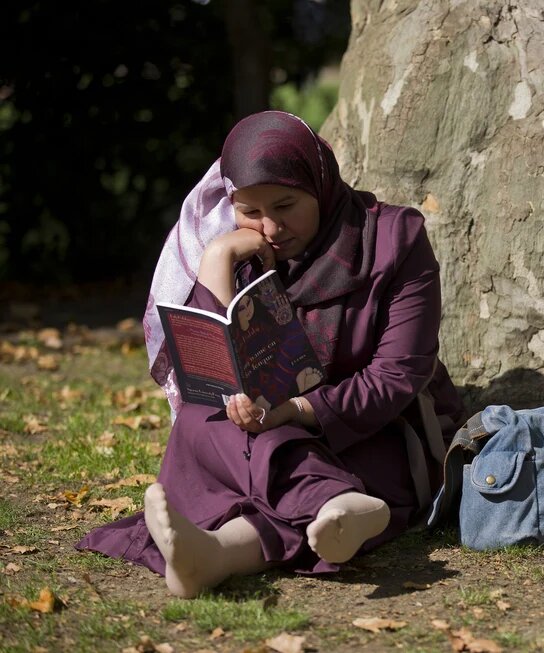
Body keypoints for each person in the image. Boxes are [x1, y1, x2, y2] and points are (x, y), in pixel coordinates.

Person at [75, 110, 466, 598]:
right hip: (266, 431)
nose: (271, 227)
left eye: (286, 205)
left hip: (372, 430)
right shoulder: (239, 248)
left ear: (319, 184)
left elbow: (398, 375)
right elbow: (212, 367)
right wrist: (219, 257)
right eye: (249, 210)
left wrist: (297, 411)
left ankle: (232, 544)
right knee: (205, 415)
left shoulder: (394, 240)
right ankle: (282, 525)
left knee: (259, 453)